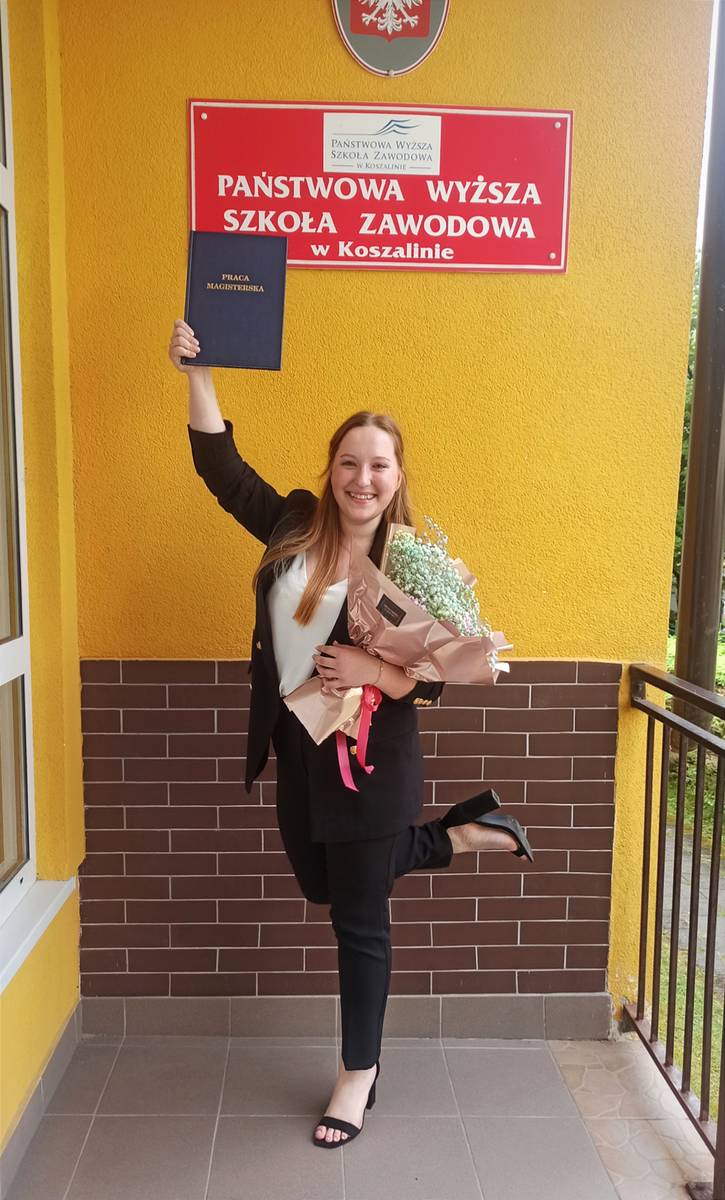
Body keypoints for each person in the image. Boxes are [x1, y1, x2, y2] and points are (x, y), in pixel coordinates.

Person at [168, 318, 533, 1148]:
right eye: (348, 462)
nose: (361, 478)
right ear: (329, 471)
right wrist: (200, 374)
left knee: (359, 922)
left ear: (396, 476)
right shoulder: (294, 525)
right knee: (320, 883)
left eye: (378, 465)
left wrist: (374, 668)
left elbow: (438, 672)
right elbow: (222, 471)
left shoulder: (412, 562)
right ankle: (457, 836)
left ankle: (357, 1074)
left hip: (372, 765)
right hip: (298, 751)